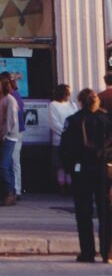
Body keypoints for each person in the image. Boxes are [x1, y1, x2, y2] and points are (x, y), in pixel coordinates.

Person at [60, 88, 112, 264]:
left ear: (80, 102)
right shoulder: (107, 120)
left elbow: (65, 148)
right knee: (105, 212)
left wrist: (68, 169)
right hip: (103, 170)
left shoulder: (73, 121)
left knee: (84, 213)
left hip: (81, 170)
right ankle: (108, 252)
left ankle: (87, 252)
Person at [0, 75, 19, 206]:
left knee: (3, 165)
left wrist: (5, 133)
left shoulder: (10, 99)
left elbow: (11, 119)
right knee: (3, 166)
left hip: (8, 136)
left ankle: (9, 192)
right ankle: (6, 193)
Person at [48, 84, 78, 195]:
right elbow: (54, 123)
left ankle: (71, 185)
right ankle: (62, 186)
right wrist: (65, 133)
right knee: (59, 164)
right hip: (59, 139)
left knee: (70, 164)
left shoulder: (72, 105)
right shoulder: (53, 105)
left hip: (72, 140)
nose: (69, 95)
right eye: (67, 92)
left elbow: (77, 119)